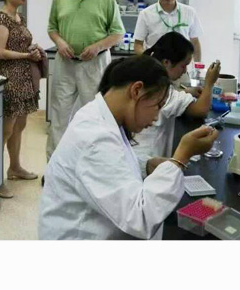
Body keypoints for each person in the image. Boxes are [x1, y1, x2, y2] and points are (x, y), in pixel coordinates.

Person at [38, 55, 218, 240]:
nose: (156, 117)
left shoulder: (100, 115)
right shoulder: (95, 138)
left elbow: (110, 163)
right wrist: (181, 157)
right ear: (136, 90)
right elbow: (141, 218)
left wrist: (146, 165)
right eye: (157, 105)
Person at [46, 0, 125, 161]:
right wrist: (60, 43)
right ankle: (54, 164)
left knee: (96, 115)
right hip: (66, 63)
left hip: (95, 64)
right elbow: (52, 28)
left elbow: (118, 34)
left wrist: (98, 47)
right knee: (59, 114)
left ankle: (93, 161)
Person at [0, 0, 45, 199]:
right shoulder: (0, 19)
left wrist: (33, 51)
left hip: (23, 79)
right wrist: (26, 56)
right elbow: (0, 52)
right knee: (5, 130)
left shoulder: (19, 18)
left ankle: (15, 167)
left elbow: (20, 44)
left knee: (19, 126)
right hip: (7, 80)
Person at [133, 32, 221, 177]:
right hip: (147, 163)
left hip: (136, 156)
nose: (185, 71)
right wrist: (209, 83)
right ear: (166, 62)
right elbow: (201, 109)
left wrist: (186, 92)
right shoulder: (162, 91)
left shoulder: (148, 79)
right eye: (183, 65)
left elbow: (170, 97)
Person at [134, 0, 204, 62]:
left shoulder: (190, 12)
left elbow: (195, 43)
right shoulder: (145, 14)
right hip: (156, 66)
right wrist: (149, 61)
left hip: (182, 67)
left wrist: (197, 67)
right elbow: (138, 44)